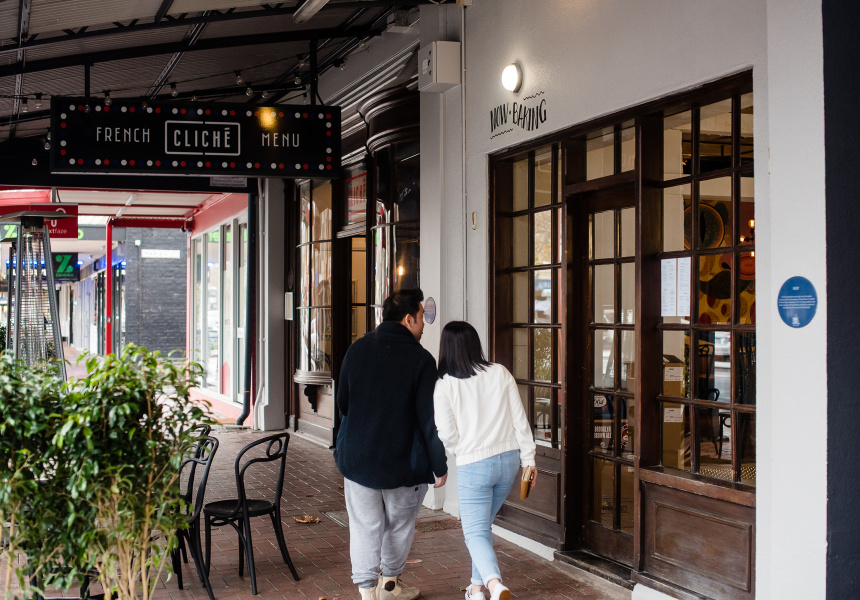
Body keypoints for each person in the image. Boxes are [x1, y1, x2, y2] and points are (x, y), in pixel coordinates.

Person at [335, 288, 448, 600]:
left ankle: (366, 591)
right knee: (399, 525)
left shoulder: (356, 349)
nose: (425, 325)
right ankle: (389, 585)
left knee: (364, 525)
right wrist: (439, 465)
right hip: (404, 464)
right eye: (422, 318)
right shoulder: (422, 360)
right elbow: (429, 419)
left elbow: (343, 402)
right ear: (408, 318)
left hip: (358, 458)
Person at [433, 321, 537, 600]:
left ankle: (494, 584)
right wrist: (529, 459)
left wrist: (462, 450)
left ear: (446, 349)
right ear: (474, 344)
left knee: (475, 533)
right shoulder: (500, 372)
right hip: (508, 462)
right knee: (481, 529)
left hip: (473, 465)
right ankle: (476, 590)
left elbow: (446, 433)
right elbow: (520, 420)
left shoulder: (444, 385)